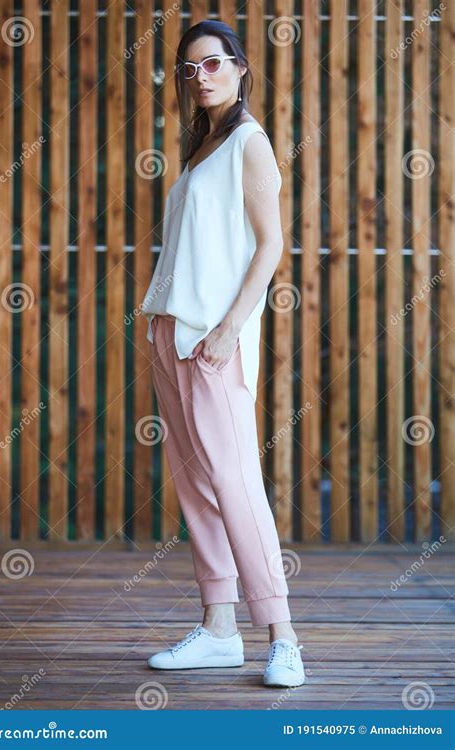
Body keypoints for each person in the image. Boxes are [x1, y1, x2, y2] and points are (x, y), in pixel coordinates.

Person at [140, 20, 305, 688]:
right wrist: (161, 325)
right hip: (169, 335)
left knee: (235, 484)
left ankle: (284, 636)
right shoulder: (200, 148)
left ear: (239, 68)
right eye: (189, 69)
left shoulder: (248, 143)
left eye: (212, 64)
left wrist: (228, 329)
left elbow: (270, 245)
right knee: (197, 485)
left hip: (214, 342)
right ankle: (218, 629)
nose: (200, 76)